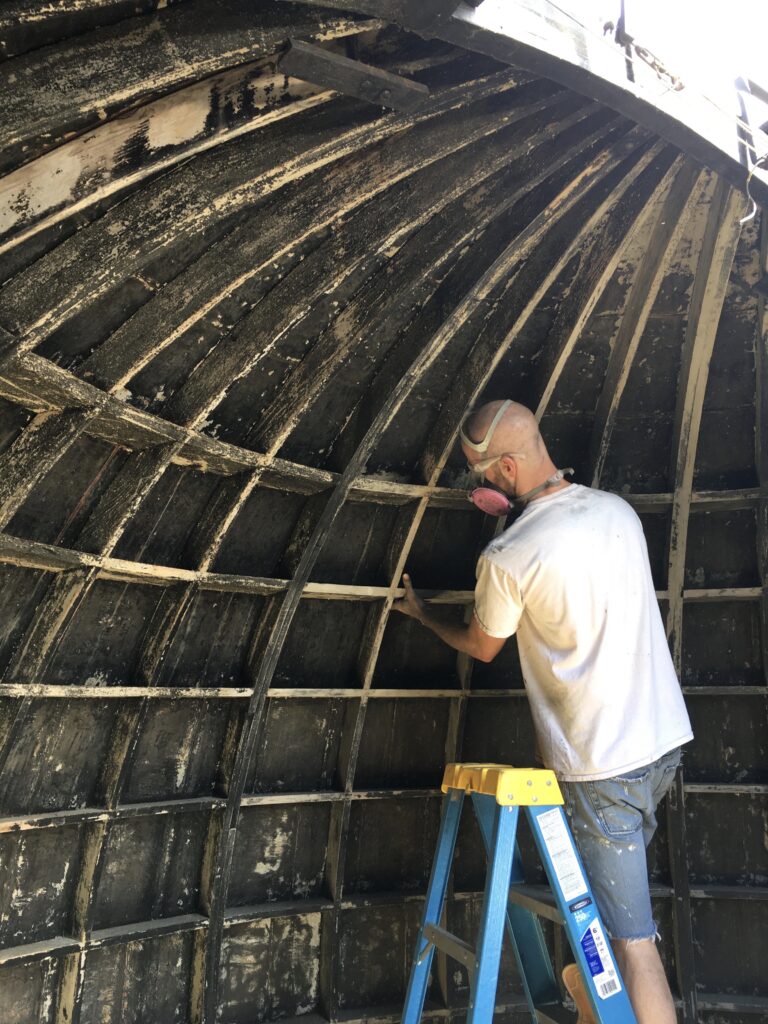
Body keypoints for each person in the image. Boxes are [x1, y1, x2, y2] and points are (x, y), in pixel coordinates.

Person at [393, 399, 692, 1024]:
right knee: (615, 930)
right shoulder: (618, 512)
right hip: (661, 744)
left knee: (635, 948)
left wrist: (423, 616)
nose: (481, 491)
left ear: (505, 467)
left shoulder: (509, 554)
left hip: (601, 766)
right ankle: (590, 1002)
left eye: (481, 479)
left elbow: (482, 645)